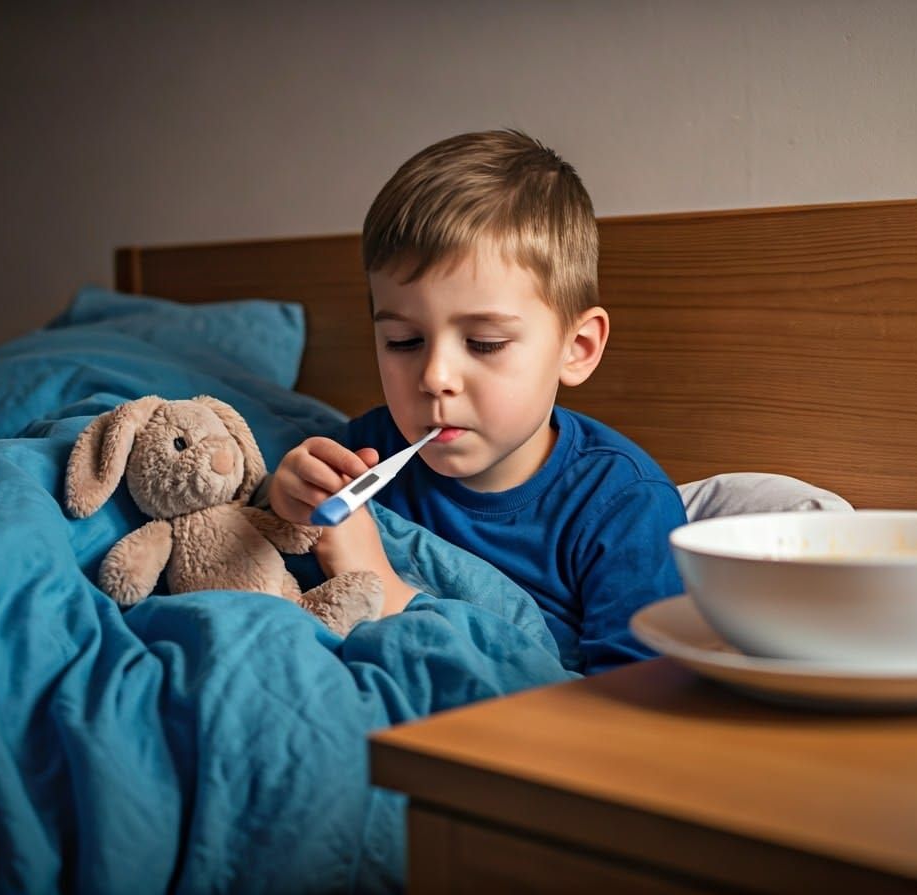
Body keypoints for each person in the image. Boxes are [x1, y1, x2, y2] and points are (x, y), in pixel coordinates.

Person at [266, 129, 687, 674]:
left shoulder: (626, 508)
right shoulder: (362, 454)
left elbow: (636, 711)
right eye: (404, 342)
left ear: (576, 349)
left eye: (484, 343)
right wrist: (285, 501)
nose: (435, 377)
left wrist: (387, 592)